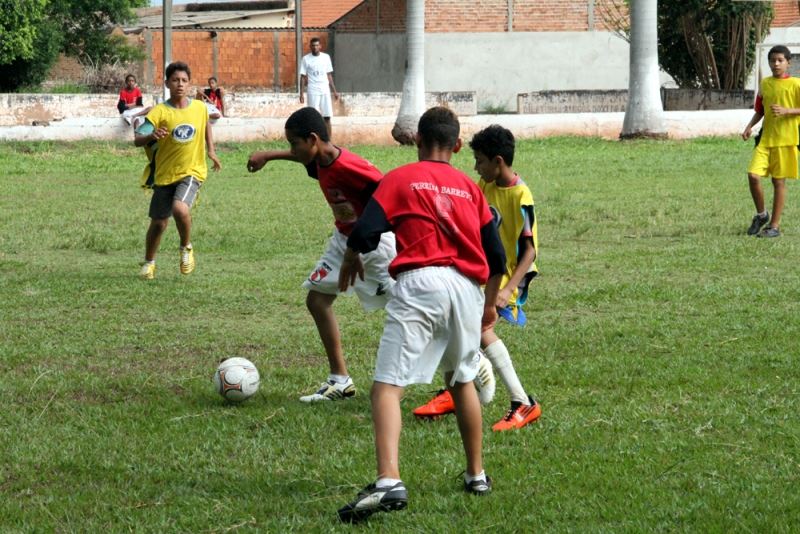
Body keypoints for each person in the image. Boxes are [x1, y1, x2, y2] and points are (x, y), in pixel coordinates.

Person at [336, 107, 507, 523]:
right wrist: (487, 303)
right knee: (462, 378)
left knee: (386, 388)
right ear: (458, 146)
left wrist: (352, 257)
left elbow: (364, 231)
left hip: (420, 285)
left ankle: (388, 480)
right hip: (466, 289)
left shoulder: (398, 179)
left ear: (417, 142)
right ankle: (476, 474)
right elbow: (497, 256)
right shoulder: (471, 187)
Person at [245, 107, 396, 403]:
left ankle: (469, 356)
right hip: (343, 240)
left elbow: (388, 194)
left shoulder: (350, 166)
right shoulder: (319, 160)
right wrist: (268, 155)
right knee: (317, 300)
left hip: (373, 244)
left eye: (293, 143)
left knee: (409, 305)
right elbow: (300, 155)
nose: (292, 149)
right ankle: (340, 380)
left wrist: (364, 242)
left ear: (312, 140)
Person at [412, 125, 542, 431]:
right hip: (481, 273)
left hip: (505, 278)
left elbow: (530, 252)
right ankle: (458, 389)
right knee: (450, 319)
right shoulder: (483, 186)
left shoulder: (521, 195)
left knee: (479, 330)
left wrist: (507, 289)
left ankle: (522, 401)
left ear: (498, 161)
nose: (475, 167)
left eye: (480, 161)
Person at [133, 61, 222, 280]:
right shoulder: (159, 112)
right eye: (175, 80)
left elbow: (206, 127)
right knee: (159, 223)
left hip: (192, 171)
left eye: (184, 80)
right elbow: (137, 139)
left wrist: (211, 151)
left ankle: (185, 248)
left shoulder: (199, 108)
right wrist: (151, 136)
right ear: (166, 83)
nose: (179, 85)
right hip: (165, 175)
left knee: (180, 209)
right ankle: (149, 263)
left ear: (189, 84)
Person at [741, 44, 800, 238]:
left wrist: (788, 111)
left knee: (778, 183)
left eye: (780, 60)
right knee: (753, 176)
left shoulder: (796, 84)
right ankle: (761, 214)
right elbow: (760, 109)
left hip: (786, 141)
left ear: (788, 63)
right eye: (772, 60)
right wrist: (750, 126)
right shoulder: (765, 84)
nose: (776, 64)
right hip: (765, 140)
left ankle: (774, 226)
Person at [299, 37, 339, 138]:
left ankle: (329, 140)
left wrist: (334, 91)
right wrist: (301, 93)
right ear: (310, 47)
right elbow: (303, 77)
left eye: (317, 45)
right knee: (313, 117)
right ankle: (316, 140)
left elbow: (329, 75)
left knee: (327, 116)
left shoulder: (326, 57)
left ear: (320, 46)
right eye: (313, 45)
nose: (315, 47)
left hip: (325, 89)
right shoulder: (306, 59)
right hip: (313, 90)